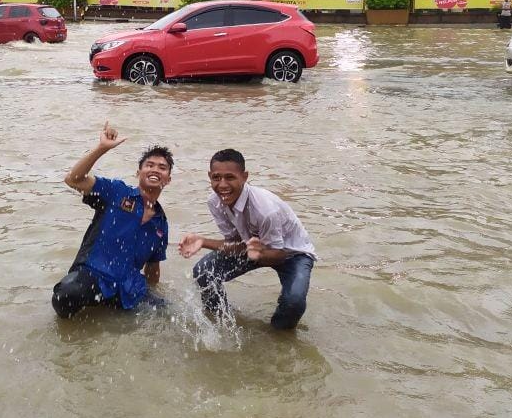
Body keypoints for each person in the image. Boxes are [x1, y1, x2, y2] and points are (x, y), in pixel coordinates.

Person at [179, 149, 316, 330]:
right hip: (251, 248)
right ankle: (222, 321)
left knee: (294, 302)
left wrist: (257, 253)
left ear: (244, 177)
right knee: (204, 271)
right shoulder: (215, 202)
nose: (222, 185)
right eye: (216, 177)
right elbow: (235, 243)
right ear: (209, 177)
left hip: (291, 254)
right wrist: (203, 241)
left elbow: (279, 255)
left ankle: (278, 337)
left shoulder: (266, 209)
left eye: (230, 177)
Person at [52, 122, 173, 318]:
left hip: (128, 287)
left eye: (162, 168)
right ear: (138, 173)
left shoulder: (161, 224)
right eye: (149, 165)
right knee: (65, 297)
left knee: (167, 317)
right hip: (94, 274)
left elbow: (152, 269)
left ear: (168, 179)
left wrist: (156, 294)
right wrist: (101, 149)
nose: (155, 170)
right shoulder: (116, 192)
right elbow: (73, 180)